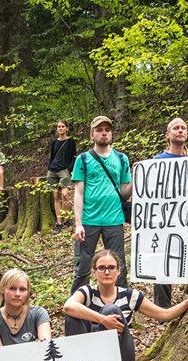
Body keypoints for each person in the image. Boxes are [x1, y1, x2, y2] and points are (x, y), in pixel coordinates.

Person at [64, 249, 188, 361]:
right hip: (91, 355)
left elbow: (165, 314)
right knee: (72, 316)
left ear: (119, 271)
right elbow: (69, 306)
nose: (107, 272)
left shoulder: (130, 296)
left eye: (111, 267)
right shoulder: (87, 292)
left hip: (120, 355)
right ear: (94, 272)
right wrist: (102, 320)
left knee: (111, 310)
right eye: (101, 268)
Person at [71, 116, 131, 294]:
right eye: (99, 130)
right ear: (92, 134)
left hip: (114, 219)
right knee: (82, 267)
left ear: (111, 133)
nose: (103, 133)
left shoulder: (121, 159)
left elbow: (124, 193)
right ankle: (77, 309)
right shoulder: (82, 160)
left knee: (118, 266)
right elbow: (79, 193)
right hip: (89, 220)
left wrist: (137, 178)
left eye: (107, 130)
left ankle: (121, 307)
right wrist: (78, 223)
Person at [152, 117, 188, 307]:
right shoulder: (157, 161)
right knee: (162, 261)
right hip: (164, 219)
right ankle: (162, 308)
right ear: (168, 135)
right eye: (176, 128)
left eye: (183, 128)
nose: (180, 130)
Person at [47, 120, 77, 233]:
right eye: (58, 126)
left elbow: (74, 157)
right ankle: (59, 222)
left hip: (64, 170)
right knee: (56, 196)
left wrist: (69, 169)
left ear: (67, 128)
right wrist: (49, 167)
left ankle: (66, 219)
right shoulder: (55, 142)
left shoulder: (70, 141)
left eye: (62, 126)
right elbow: (52, 156)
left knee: (65, 194)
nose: (60, 128)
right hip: (53, 171)